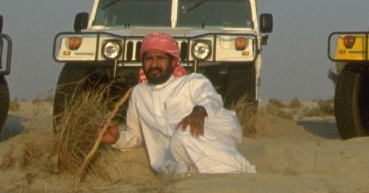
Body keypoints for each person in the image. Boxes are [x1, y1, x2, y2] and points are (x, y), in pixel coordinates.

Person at [100, 33, 256, 175]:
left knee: (184, 135)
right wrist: (117, 138)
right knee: (179, 145)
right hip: (174, 162)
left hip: (211, 133)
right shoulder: (138, 93)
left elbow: (210, 99)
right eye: (149, 59)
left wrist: (199, 111)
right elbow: (136, 135)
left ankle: (241, 172)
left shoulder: (192, 81)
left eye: (160, 58)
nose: (154, 64)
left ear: (173, 61)